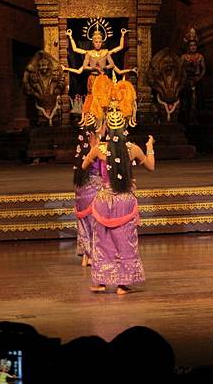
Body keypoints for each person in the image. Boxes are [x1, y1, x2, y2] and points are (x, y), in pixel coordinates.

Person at [81, 78, 155, 294]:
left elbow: (84, 166)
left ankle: (101, 282)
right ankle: (123, 284)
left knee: (102, 242)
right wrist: (150, 147)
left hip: (104, 199)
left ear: (106, 125)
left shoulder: (100, 150)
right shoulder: (133, 149)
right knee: (125, 241)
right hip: (125, 200)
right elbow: (151, 167)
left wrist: (94, 149)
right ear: (125, 125)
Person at [73, 114, 103, 267]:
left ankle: (86, 254)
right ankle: (90, 254)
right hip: (93, 190)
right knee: (93, 223)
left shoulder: (82, 157)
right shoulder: (95, 151)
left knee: (84, 223)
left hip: (82, 192)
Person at [180, 27, 206, 125]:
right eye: (191, 45)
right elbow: (180, 69)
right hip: (186, 81)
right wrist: (185, 78)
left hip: (197, 80)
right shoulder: (184, 57)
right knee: (186, 100)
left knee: (197, 100)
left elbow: (203, 69)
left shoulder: (200, 57)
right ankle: (186, 119)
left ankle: (197, 118)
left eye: (194, 45)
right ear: (188, 47)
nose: (193, 47)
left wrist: (199, 78)